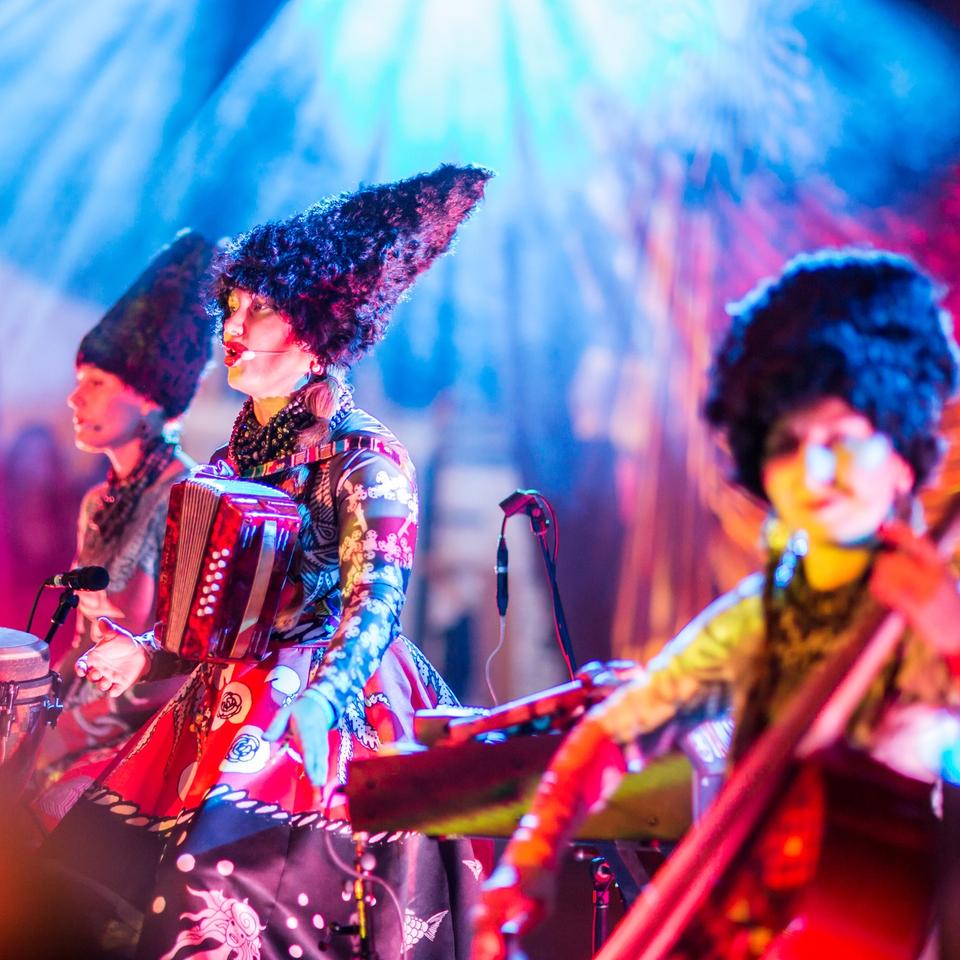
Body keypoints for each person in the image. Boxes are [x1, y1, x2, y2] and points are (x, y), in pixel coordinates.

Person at [45, 163, 493, 960]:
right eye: (232, 305)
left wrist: (321, 701)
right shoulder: (232, 457)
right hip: (220, 701)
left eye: (259, 308)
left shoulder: (367, 459)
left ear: (318, 329)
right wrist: (143, 650)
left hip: (326, 712)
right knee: (70, 887)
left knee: (221, 901)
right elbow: (210, 614)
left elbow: (376, 607)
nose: (233, 325)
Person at [472, 248, 960, 959]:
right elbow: (613, 733)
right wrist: (531, 856)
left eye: (841, 439)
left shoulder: (933, 605)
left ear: (902, 454)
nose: (814, 471)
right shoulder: (761, 614)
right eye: (789, 444)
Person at [32, 230, 215, 826]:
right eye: (80, 379)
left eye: (97, 383)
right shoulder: (97, 501)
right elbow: (86, 644)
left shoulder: (188, 498)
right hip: (82, 717)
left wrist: (57, 740)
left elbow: (184, 652)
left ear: (151, 397)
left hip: (153, 727)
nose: (74, 399)